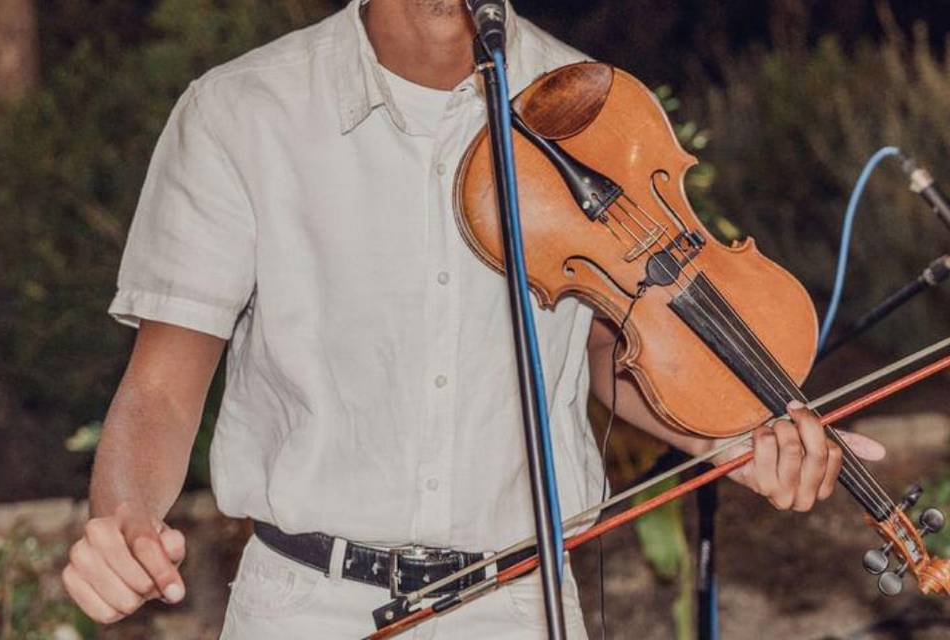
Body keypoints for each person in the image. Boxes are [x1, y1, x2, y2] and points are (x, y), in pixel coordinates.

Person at [60, 1, 885, 638]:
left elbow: (613, 341)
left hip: (517, 605)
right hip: (303, 605)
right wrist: (122, 518)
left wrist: (729, 436)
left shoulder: (594, 105)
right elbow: (163, 389)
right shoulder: (239, 112)